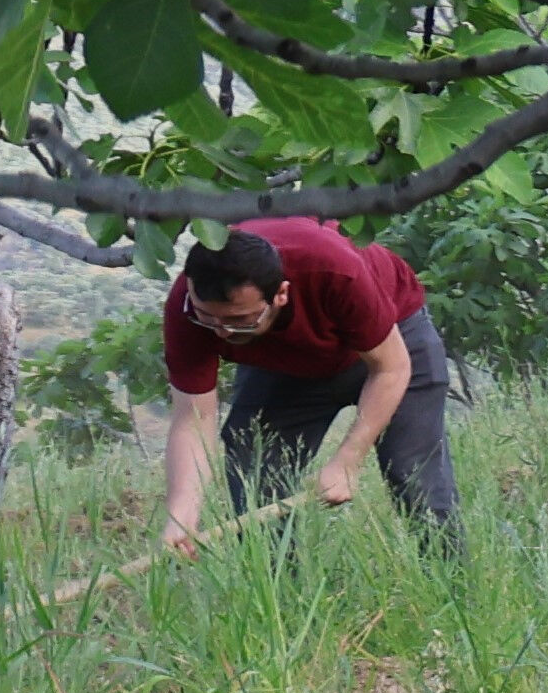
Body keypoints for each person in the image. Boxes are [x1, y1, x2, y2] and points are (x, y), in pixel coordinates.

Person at [158, 217, 460, 552]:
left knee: (414, 473)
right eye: (208, 318)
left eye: (239, 320)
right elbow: (194, 419)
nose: (222, 333)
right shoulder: (185, 311)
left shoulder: (334, 270)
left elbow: (391, 368)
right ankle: (279, 596)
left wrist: (348, 460)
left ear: (281, 294)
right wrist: (181, 513)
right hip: (287, 365)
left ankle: (452, 585)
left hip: (392, 342)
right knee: (255, 469)